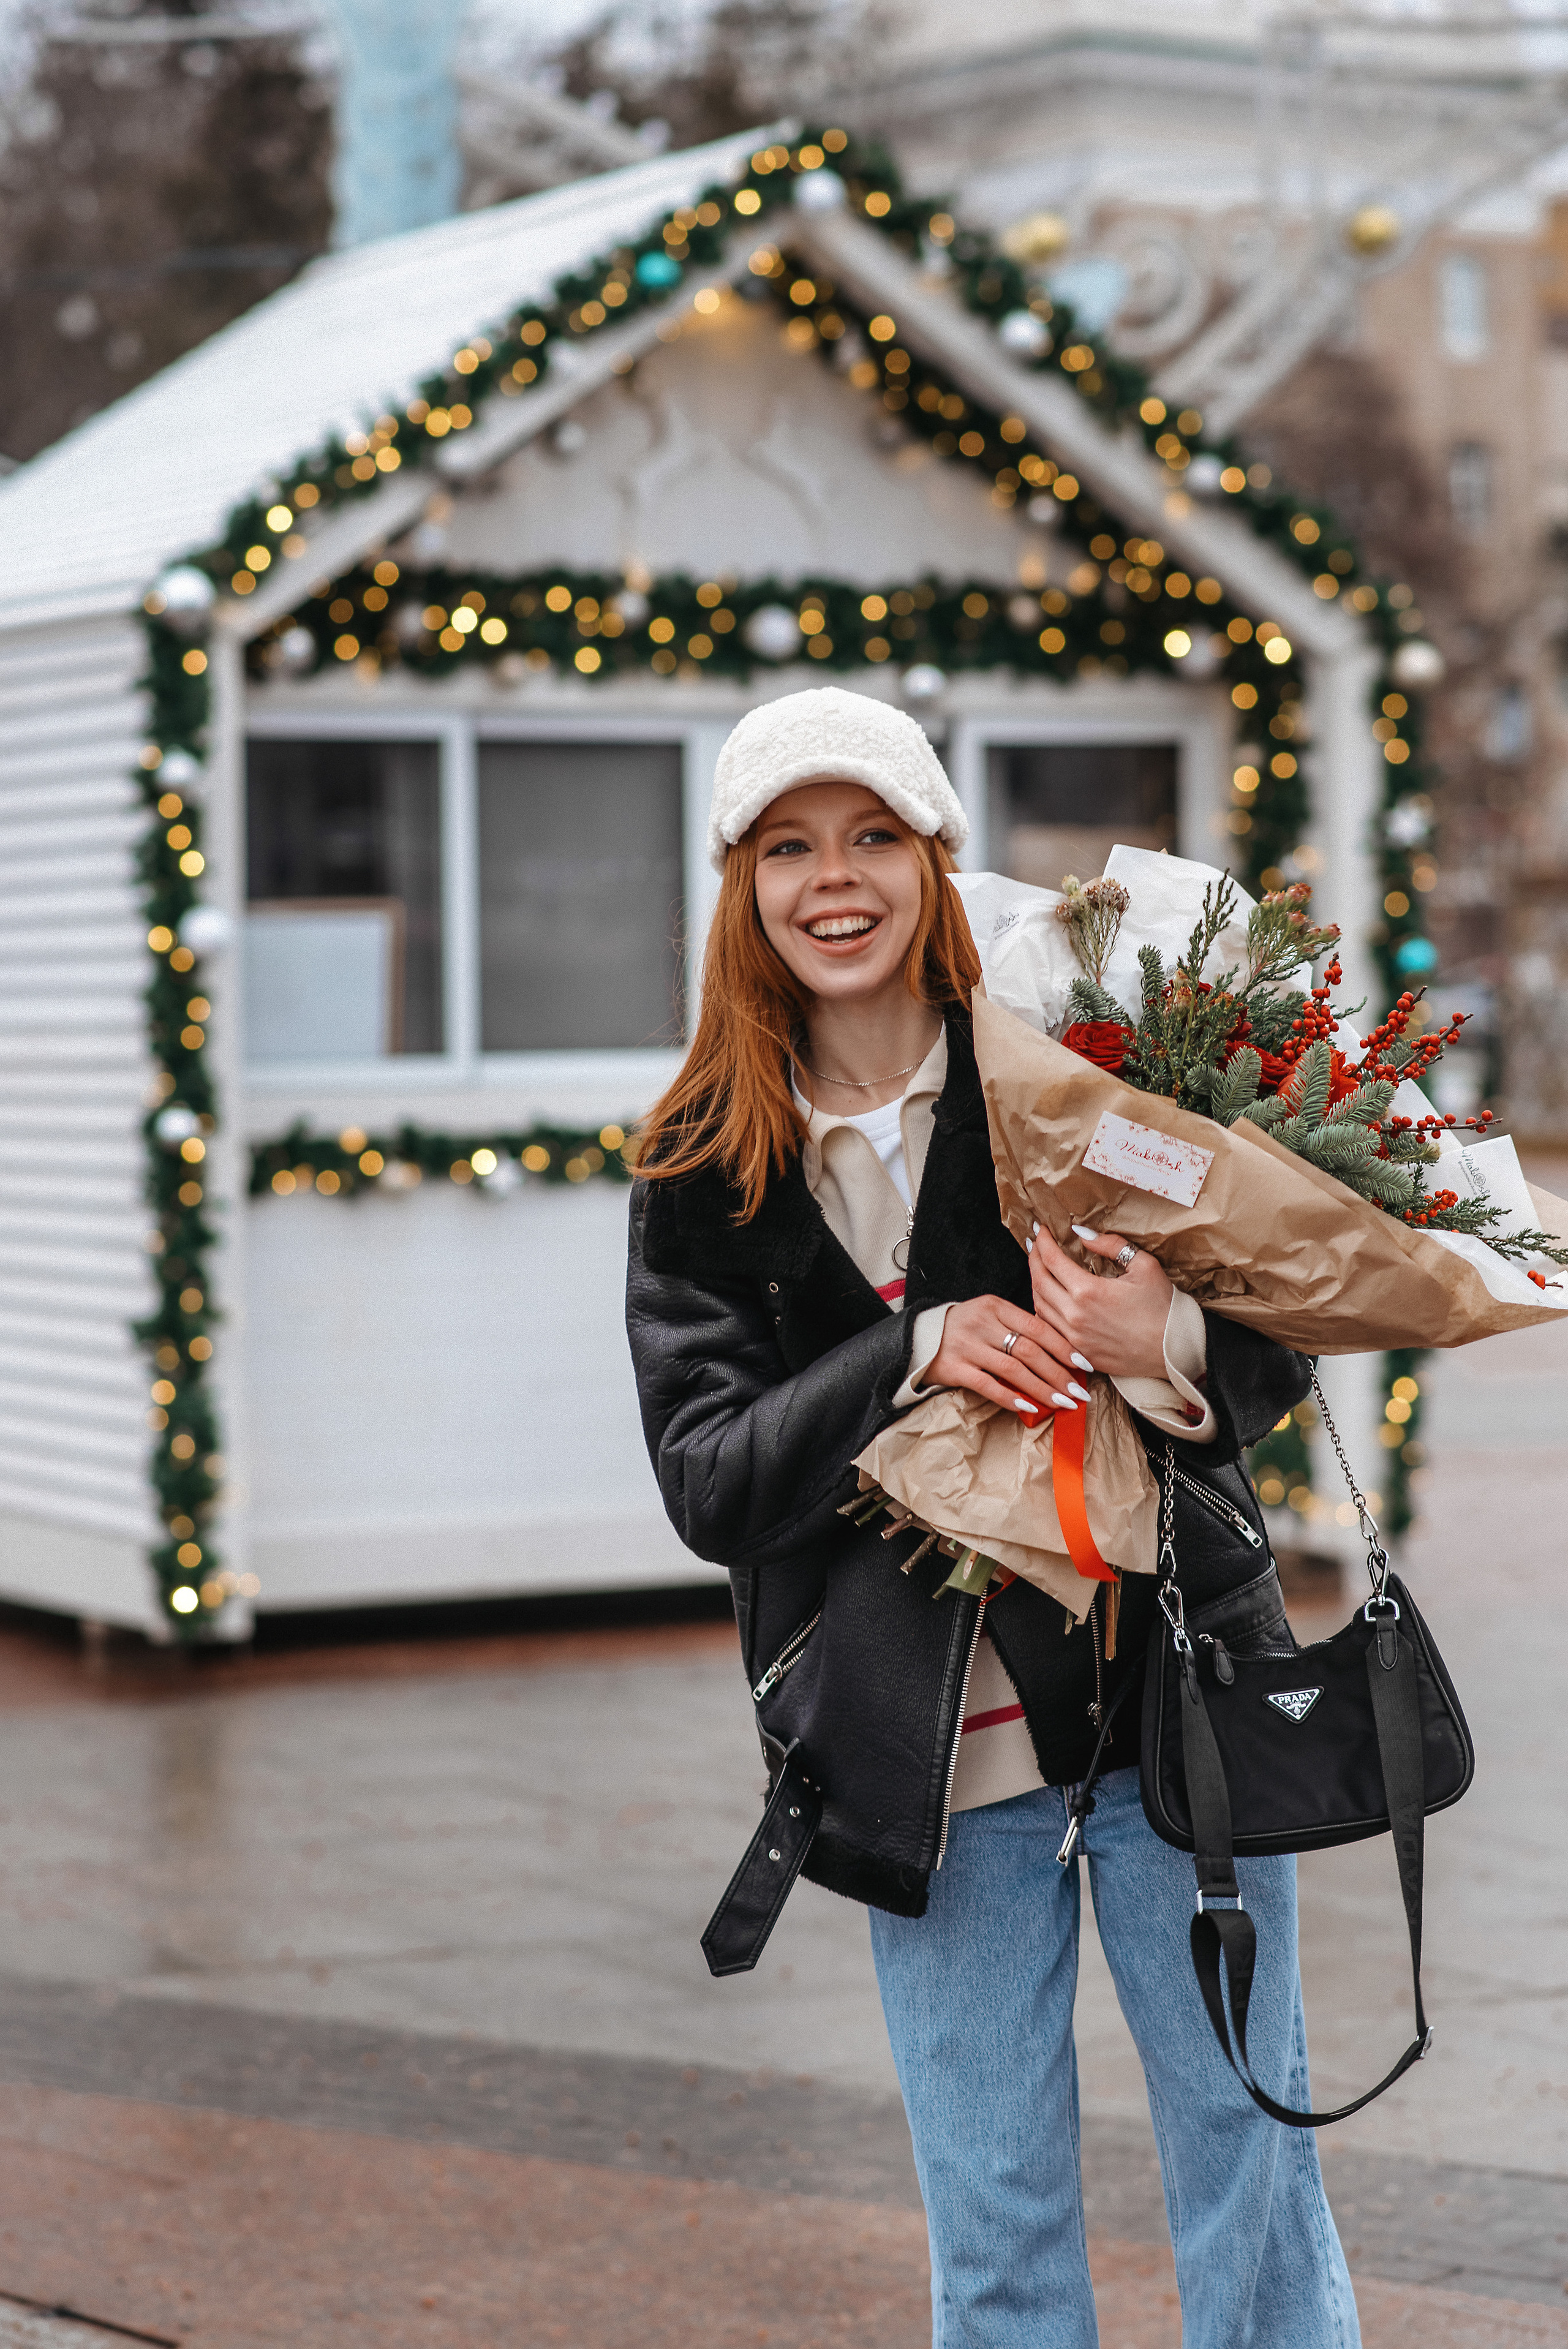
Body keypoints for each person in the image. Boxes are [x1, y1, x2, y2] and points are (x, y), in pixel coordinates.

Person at [625, 685, 1359, 2349]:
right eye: (791, 845)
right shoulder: (703, 1165)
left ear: (938, 858)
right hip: (927, 1763)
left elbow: (1258, 1359)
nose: (838, 879)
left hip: (1181, 1712)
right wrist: (909, 1349)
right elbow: (712, 1479)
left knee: (1253, 2168)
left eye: (875, 834)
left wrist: (1154, 1340)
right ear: (741, 883)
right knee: (997, 2219)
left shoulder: (1065, 1068)